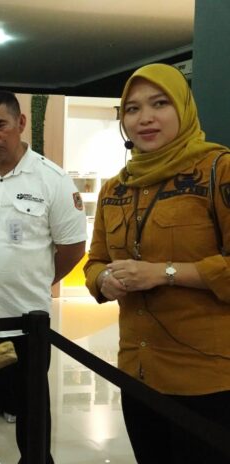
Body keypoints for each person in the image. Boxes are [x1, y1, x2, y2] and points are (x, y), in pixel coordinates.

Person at [83, 63, 230, 463]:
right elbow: (95, 261)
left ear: (183, 108)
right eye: (132, 109)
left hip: (209, 379)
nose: (145, 118)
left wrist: (164, 273)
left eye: (160, 103)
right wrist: (103, 280)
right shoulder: (116, 188)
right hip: (138, 372)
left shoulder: (218, 170)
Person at [0, 90, 87, 462]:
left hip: (28, 323)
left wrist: (38, 280)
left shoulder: (51, 179)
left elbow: (72, 249)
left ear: (21, 123)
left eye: (0, 125)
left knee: (31, 411)